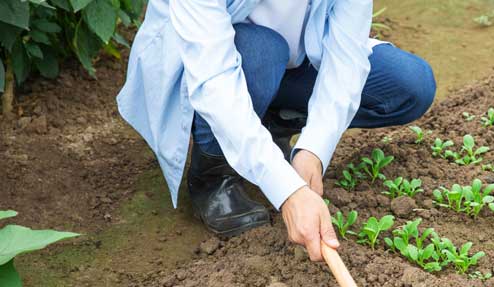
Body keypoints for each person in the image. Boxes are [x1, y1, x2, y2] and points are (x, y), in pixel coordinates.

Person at [117, 0, 436, 262]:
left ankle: (273, 125)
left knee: (410, 83)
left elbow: (347, 58)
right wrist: (287, 191)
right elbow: (215, 84)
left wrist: (313, 150)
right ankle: (212, 177)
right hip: (220, 66)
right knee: (262, 51)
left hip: (294, 65)